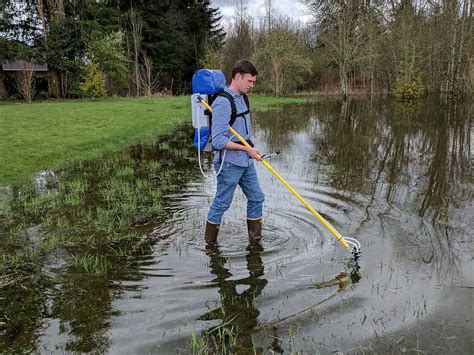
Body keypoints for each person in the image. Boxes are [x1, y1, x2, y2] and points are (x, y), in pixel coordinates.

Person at [205, 59, 265, 244]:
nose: (252, 85)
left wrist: (251, 148)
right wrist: (246, 148)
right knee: (222, 203)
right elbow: (219, 140)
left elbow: (242, 131)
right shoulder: (223, 103)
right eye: (249, 81)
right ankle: (210, 245)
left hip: (245, 160)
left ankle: (255, 242)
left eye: (253, 82)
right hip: (229, 163)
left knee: (257, 197)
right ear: (238, 77)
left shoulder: (243, 98)